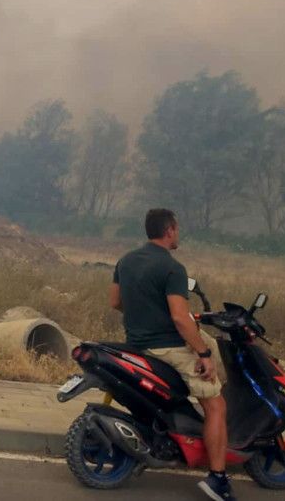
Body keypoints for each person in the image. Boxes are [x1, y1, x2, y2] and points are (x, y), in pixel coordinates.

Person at [110, 208, 234, 501]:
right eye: (177, 229)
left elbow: (115, 302)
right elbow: (180, 319)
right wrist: (202, 353)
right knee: (216, 405)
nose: (178, 233)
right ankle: (218, 478)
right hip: (169, 347)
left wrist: (148, 315)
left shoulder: (125, 261)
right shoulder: (173, 268)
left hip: (138, 342)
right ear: (169, 231)